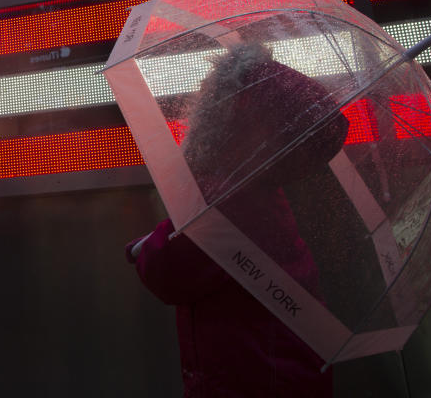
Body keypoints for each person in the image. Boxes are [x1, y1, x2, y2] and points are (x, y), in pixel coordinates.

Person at [127, 42, 350, 397]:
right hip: (289, 371)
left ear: (222, 119)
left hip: (250, 379)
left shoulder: (225, 199)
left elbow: (168, 271)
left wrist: (143, 248)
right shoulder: (261, 195)